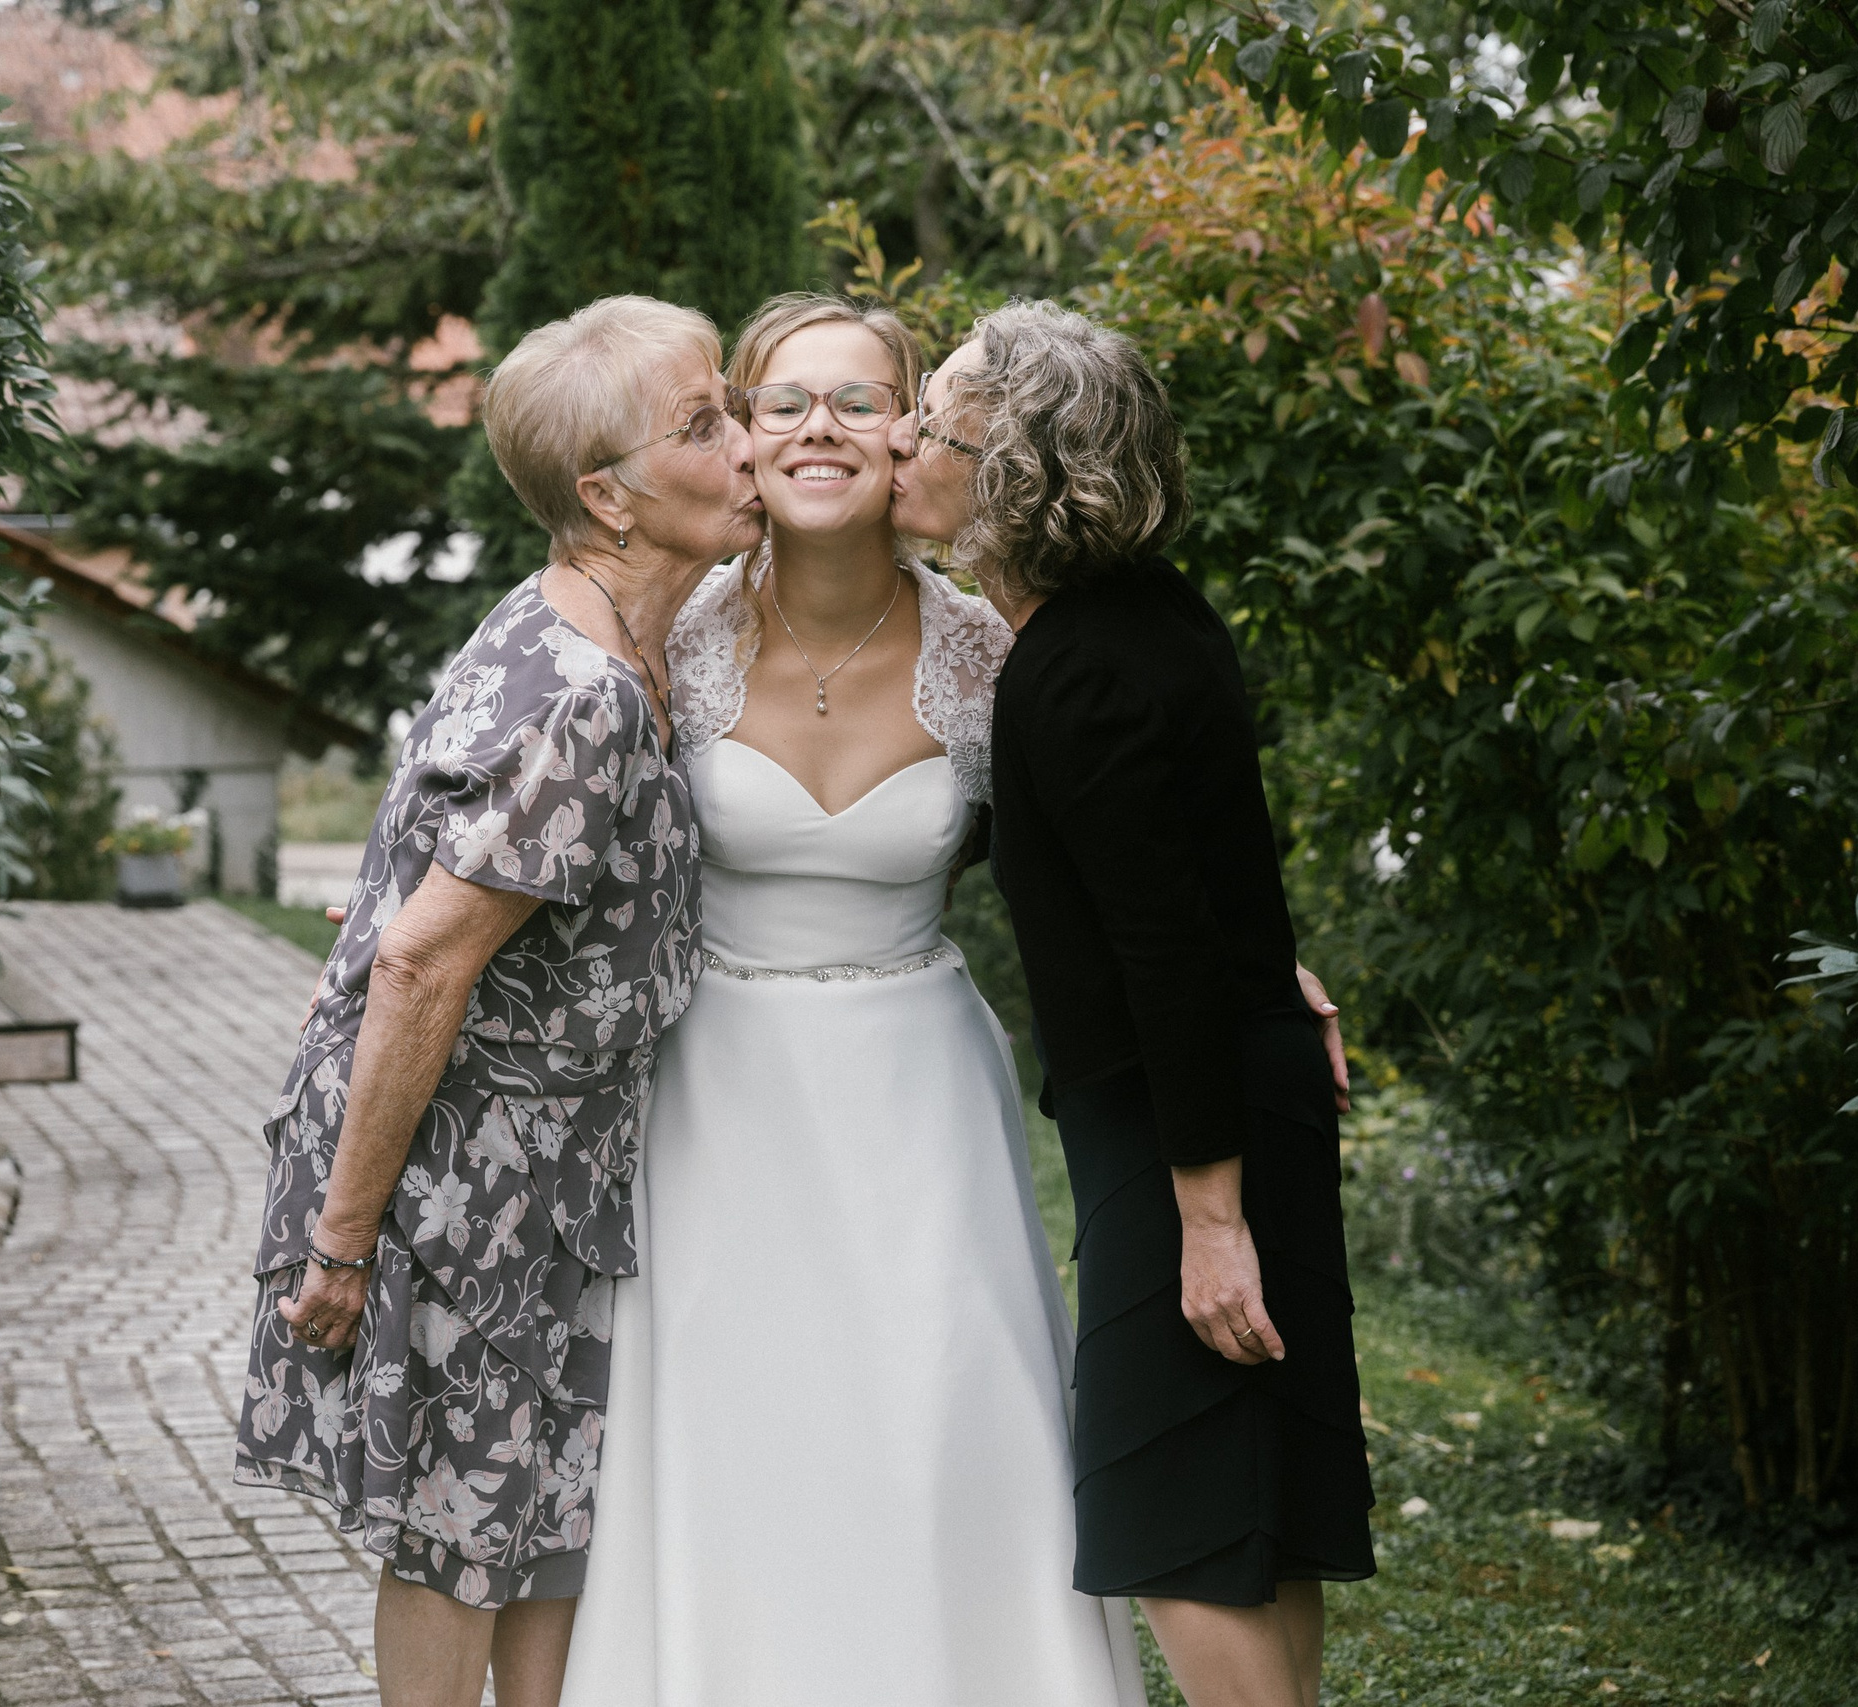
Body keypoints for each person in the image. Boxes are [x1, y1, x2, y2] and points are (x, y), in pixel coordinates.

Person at [561, 292, 1148, 1705]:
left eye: (856, 400)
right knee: (733, 1434)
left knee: (940, 1422)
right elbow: (541, 816)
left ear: (915, 439)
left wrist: (1267, 972)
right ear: (743, 444)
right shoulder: (660, 646)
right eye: (783, 402)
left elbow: (1124, 858)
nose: (820, 426)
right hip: (713, 1093)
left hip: (918, 1098)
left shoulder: (994, 662)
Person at [233, 294, 761, 1707]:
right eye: (706, 424)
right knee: (459, 1532)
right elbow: (422, 958)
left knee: (539, 1521)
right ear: (611, 496)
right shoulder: (581, 690)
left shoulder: (600, 626)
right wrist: (344, 1243)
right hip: (463, 1170)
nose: (750, 442)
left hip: (549, 1163)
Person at [890, 299, 1376, 1707]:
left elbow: (1160, 948)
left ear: (1016, 474)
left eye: (940, 428)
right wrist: (1267, 965)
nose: (912, 446)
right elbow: (1208, 860)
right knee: (1253, 1504)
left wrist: (1204, 1219)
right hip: (1237, 1080)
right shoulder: (1144, 619)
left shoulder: (1077, 672)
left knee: (1170, 1515)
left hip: (1187, 1122)